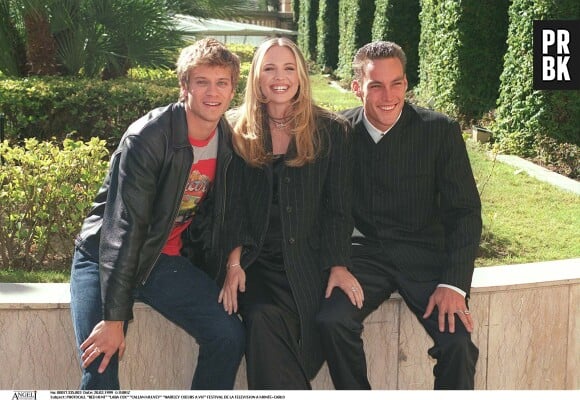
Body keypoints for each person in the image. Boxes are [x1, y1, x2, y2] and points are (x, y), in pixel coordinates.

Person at [69, 38, 245, 390]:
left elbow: (233, 212)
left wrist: (231, 264)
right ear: (184, 86)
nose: (213, 93)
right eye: (202, 82)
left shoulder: (228, 140)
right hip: (104, 256)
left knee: (228, 335)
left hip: (163, 262)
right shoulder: (148, 137)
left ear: (232, 89)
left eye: (221, 83)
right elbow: (124, 229)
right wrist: (114, 318)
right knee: (101, 361)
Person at [316, 41, 482, 390]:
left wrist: (454, 284)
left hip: (425, 257)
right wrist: (337, 263)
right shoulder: (338, 132)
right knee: (332, 321)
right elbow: (329, 207)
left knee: (458, 344)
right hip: (364, 258)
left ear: (406, 84)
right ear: (358, 87)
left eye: (397, 83)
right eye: (376, 85)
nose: (387, 95)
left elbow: (464, 211)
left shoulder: (439, 131)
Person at [214, 37, 353, 390]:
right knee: (260, 316)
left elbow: (338, 208)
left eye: (289, 68)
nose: (281, 77)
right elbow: (229, 207)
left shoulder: (331, 130)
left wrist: (337, 265)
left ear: (301, 75)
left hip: (305, 261)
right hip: (255, 262)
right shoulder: (234, 129)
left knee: (292, 326)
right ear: (258, 78)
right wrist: (233, 264)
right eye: (270, 68)